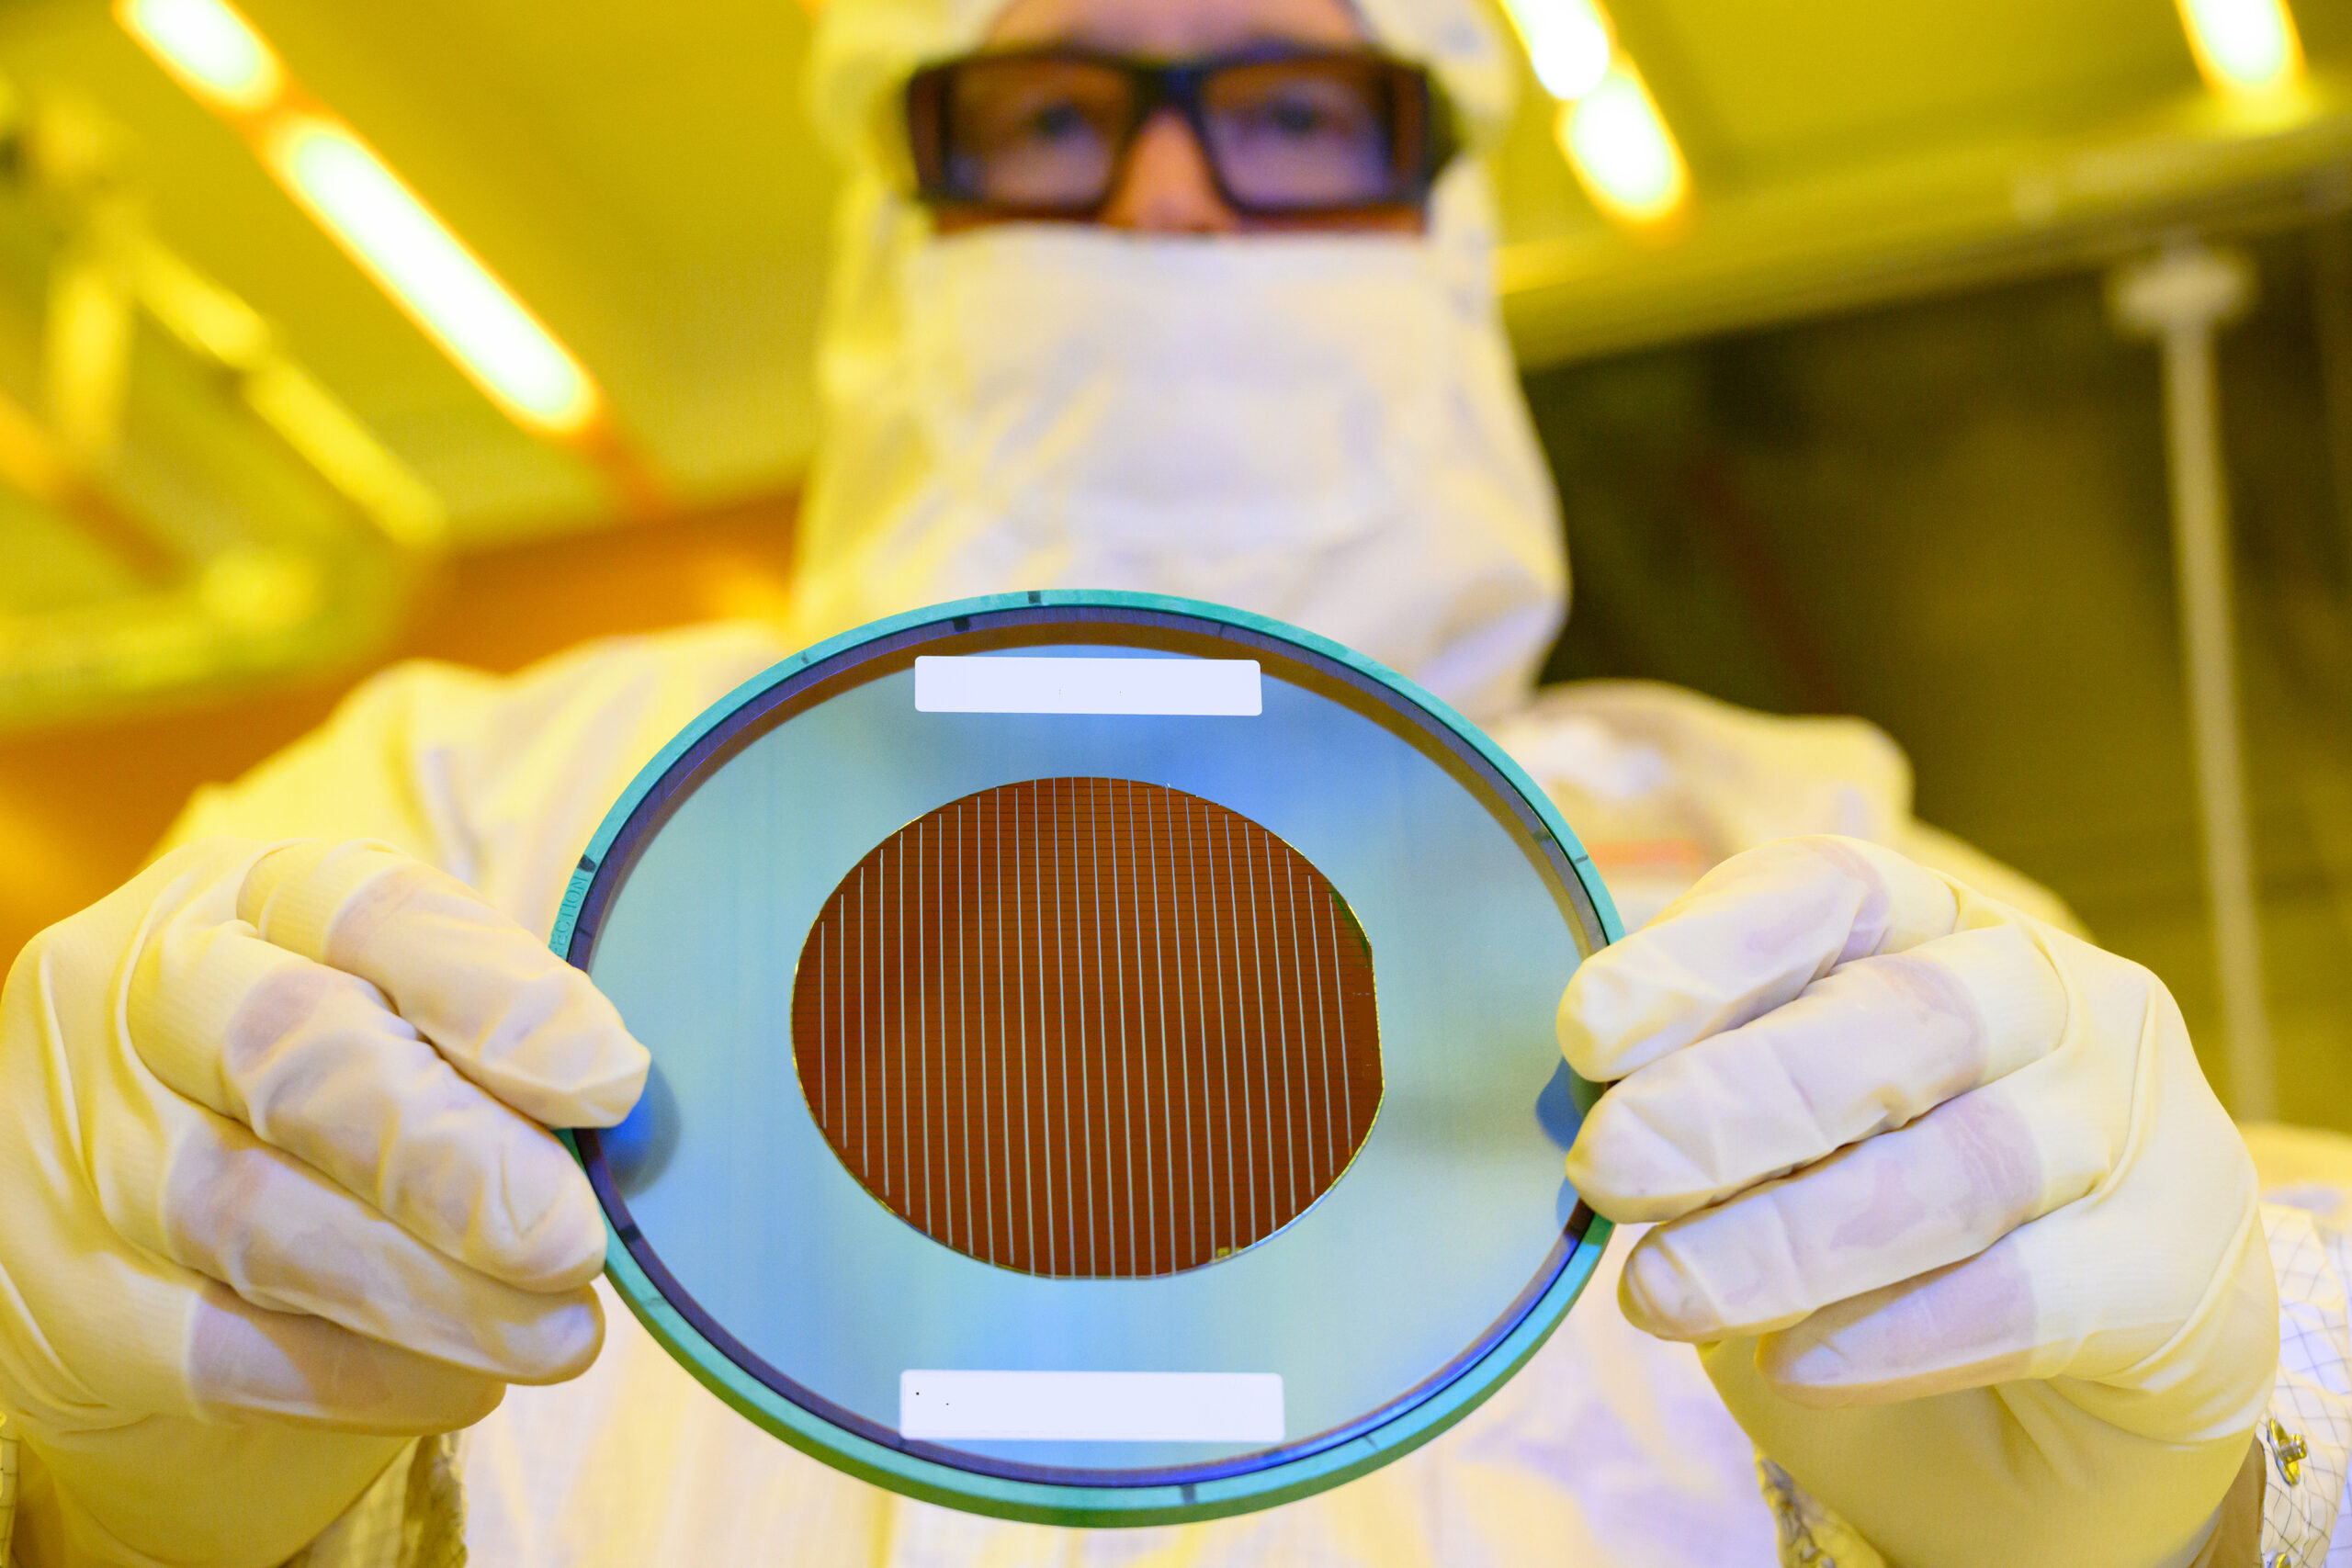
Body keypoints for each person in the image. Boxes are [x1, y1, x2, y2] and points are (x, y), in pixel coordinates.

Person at [0, 0, 2344, 1562]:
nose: (1170, 207)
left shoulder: (1805, 879)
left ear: (1437, 198)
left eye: (1296, 109)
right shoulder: (481, 802)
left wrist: (2181, 1523)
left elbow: (2269, 1336)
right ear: (885, 207)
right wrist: (98, 1496)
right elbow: (118, 1247)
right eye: (1046, 111)